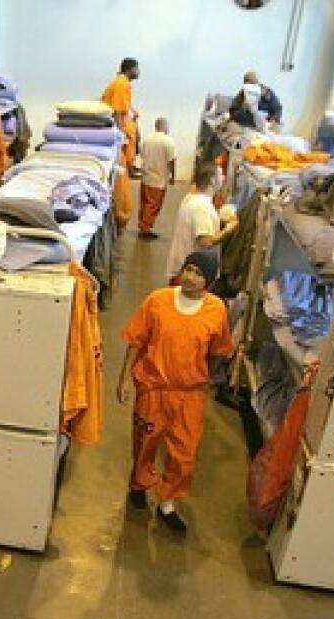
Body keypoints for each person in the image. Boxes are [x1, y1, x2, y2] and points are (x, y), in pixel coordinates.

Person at [117, 252, 234, 532]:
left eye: (199, 274)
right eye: (188, 269)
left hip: (189, 394)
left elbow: (218, 350)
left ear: (209, 281)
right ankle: (139, 484)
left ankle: (168, 500)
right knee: (145, 443)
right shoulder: (158, 301)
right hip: (154, 388)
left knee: (184, 452)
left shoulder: (216, 310)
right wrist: (124, 379)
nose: (191, 278)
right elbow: (135, 340)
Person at [164, 162, 237, 282]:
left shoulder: (191, 198)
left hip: (183, 269)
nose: (224, 178)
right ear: (212, 181)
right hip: (192, 276)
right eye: (221, 174)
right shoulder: (202, 207)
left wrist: (217, 216)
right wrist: (229, 229)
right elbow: (206, 242)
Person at [137, 117, 177, 239]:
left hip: (146, 178)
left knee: (145, 203)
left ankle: (143, 226)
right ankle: (145, 229)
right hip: (158, 180)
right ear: (165, 127)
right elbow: (171, 161)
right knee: (153, 205)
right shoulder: (168, 141)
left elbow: (142, 155)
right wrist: (173, 176)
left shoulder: (147, 139)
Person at [101, 58, 140, 175]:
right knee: (120, 173)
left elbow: (124, 109)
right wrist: (120, 136)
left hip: (125, 134)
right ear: (130, 69)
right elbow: (117, 111)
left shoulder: (123, 83)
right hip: (120, 136)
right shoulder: (121, 84)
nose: (139, 71)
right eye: (137, 68)